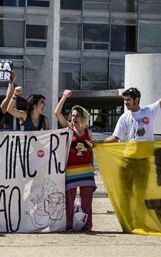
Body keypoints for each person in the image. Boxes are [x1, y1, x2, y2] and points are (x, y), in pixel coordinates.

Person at [104, 73, 161, 231]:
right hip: (127, 161)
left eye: (128, 100)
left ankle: (140, 223)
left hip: (143, 161)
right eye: (125, 100)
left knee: (141, 195)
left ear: (136, 100)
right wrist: (97, 143)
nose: (126, 102)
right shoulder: (124, 118)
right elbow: (115, 138)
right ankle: (127, 225)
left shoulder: (148, 111)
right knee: (125, 194)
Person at [55, 90, 95, 232]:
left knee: (87, 201)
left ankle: (87, 225)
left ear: (82, 117)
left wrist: (93, 168)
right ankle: (69, 225)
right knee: (69, 201)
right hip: (71, 169)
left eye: (77, 116)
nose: (74, 118)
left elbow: (91, 152)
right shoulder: (68, 129)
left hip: (86, 170)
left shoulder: (88, 132)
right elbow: (57, 113)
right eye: (72, 116)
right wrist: (64, 97)